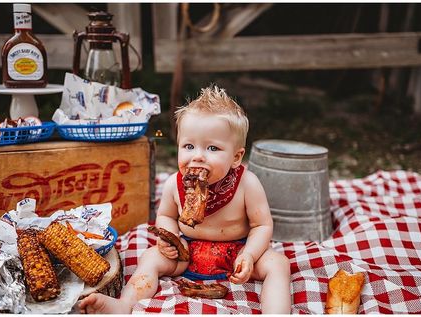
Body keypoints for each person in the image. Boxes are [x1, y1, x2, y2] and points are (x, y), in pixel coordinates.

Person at [78, 85, 291, 314]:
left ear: (236, 157)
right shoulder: (174, 184)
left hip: (236, 251)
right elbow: (166, 216)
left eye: (212, 148)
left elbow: (262, 225)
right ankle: (124, 304)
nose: (197, 155)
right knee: (150, 257)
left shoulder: (247, 184)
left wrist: (249, 254)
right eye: (189, 146)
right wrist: (169, 240)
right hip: (187, 253)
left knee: (279, 265)